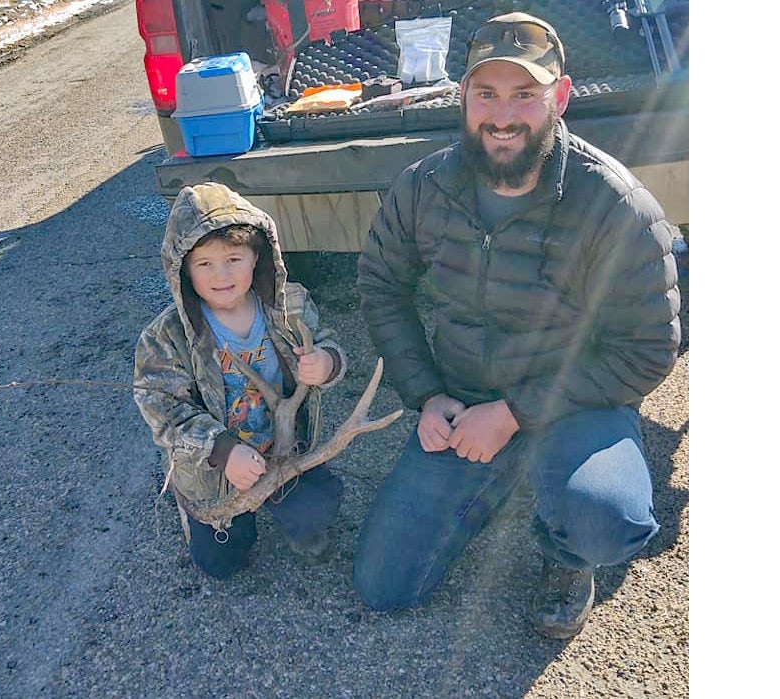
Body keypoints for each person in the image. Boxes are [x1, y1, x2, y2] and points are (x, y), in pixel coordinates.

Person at [352, 12, 682, 639]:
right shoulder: (422, 188)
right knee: (383, 586)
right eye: (488, 94)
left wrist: (512, 414)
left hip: (574, 403)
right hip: (463, 398)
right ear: (463, 98)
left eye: (525, 94)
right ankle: (497, 475)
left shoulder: (615, 204)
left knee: (604, 520)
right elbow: (381, 285)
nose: (503, 115)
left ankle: (566, 552)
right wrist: (426, 395)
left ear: (560, 97)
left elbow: (648, 350)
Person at [134, 182, 348, 579]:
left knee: (316, 510)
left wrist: (327, 362)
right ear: (182, 269)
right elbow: (163, 412)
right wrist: (222, 450)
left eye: (234, 258)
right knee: (220, 564)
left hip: (286, 452)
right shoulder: (165, 337)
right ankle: (207, 512)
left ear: (258, 257)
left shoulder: (291, 305)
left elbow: (327, 343)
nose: (222, 275)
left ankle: (297, 514)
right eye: (204, 264)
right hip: (216, 470)